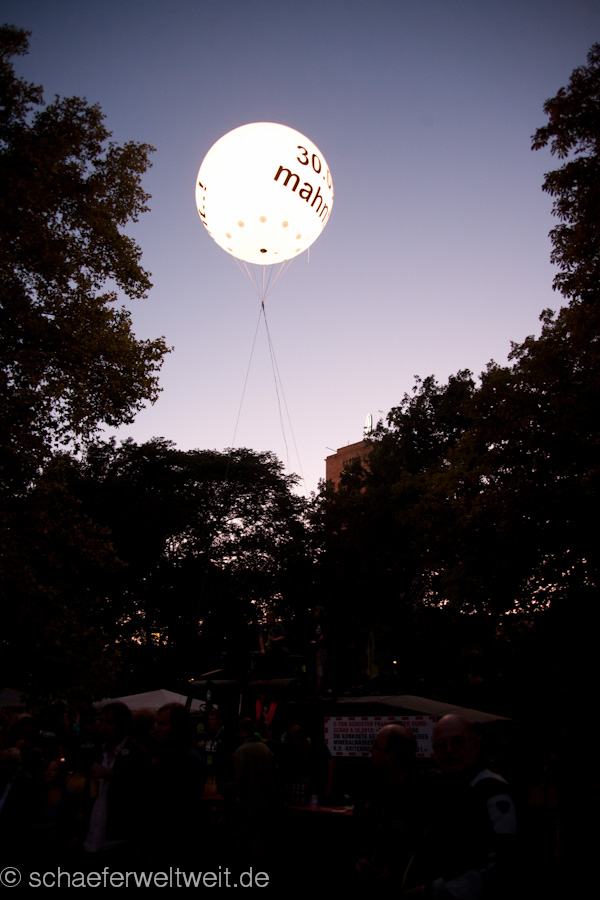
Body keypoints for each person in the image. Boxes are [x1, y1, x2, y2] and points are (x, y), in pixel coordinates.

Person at [402, 715, 519, 899]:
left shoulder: (491, 790)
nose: (449, 750)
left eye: (458, 742)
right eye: (441, 745)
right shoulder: (439, 790)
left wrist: (436, 891)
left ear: (476, 745)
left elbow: (501, 864)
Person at [355, 724, 423, 882]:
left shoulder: (421, 798)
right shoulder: (371, 789)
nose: (371, 750)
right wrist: (360, 858)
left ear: (390, 757)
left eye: (375, 746)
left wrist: (396, 871)